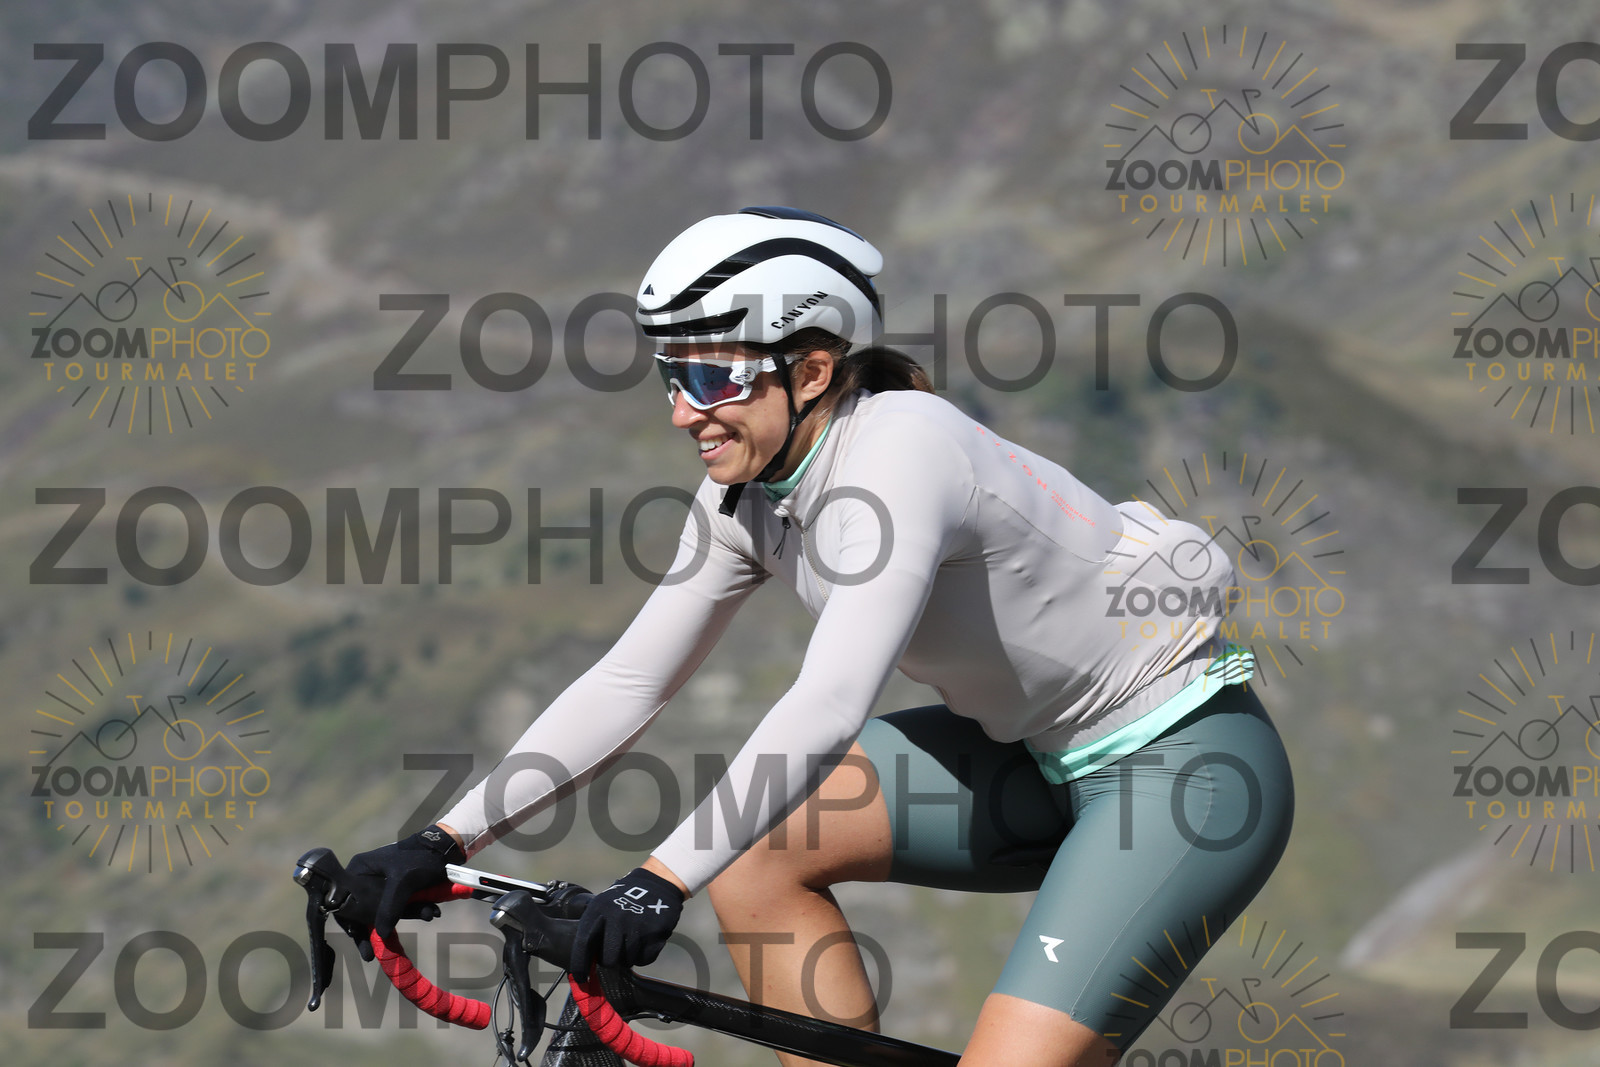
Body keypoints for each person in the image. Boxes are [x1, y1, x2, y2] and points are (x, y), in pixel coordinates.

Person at [341, 207, 1294, 1066]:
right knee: (754, 858)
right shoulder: (744, 497)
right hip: (1029, 756)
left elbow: (833, 699)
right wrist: (443, 834)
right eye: (671, 374)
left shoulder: (905, 446)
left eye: (710, 375)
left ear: (811, 371)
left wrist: (658, 880)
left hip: (1184, 773)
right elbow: (631, 680)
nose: (681, 410)